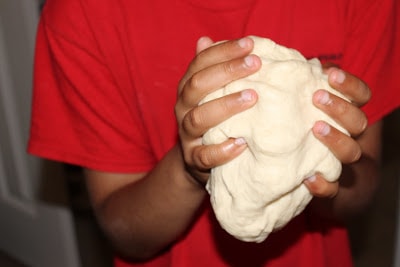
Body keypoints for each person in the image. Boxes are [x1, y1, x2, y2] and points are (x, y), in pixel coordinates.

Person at [28, 0, 399, 266]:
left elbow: (359, 193)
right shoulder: (81, 14)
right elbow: (126, 231)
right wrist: (190, 166)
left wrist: (324, 158)